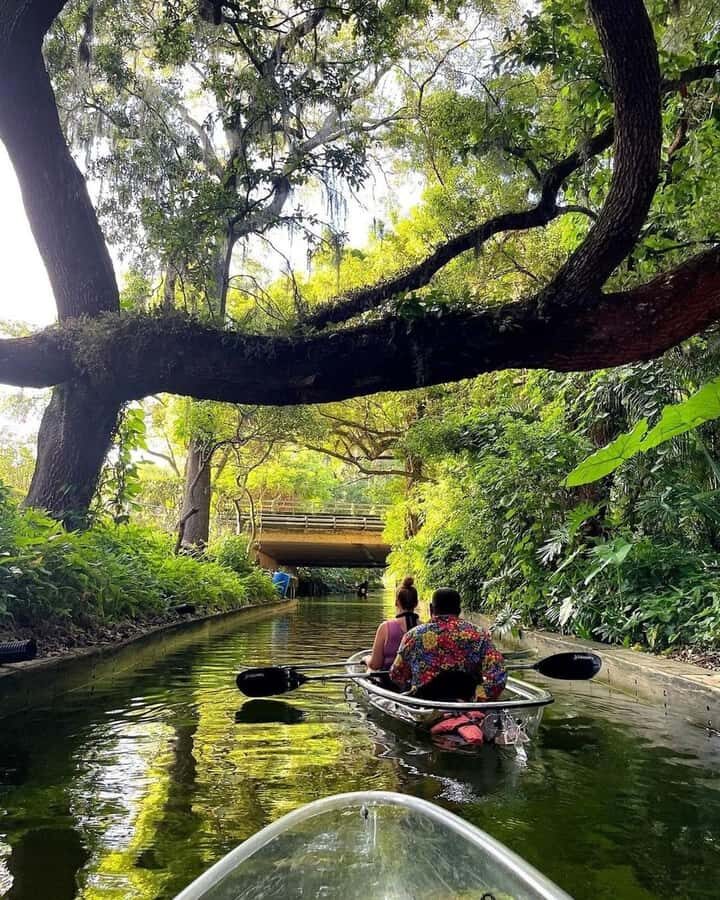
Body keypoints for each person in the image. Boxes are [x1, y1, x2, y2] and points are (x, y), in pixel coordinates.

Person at [389, 587, 506, 700]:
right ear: (459, 610)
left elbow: (396, 674)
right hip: (467, 705)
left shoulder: (413, 635)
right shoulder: (479, 635)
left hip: (425, 705)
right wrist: (477, 697)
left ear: (431, 609)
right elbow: (498, 678)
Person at [365, 577, 420, 672]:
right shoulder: (425, 627)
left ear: (396, 602)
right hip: (416, 681)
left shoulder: (385, 627)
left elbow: (375, 665)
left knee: (369, 669)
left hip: (388, 680)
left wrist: (366, 659)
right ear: (416, 604)